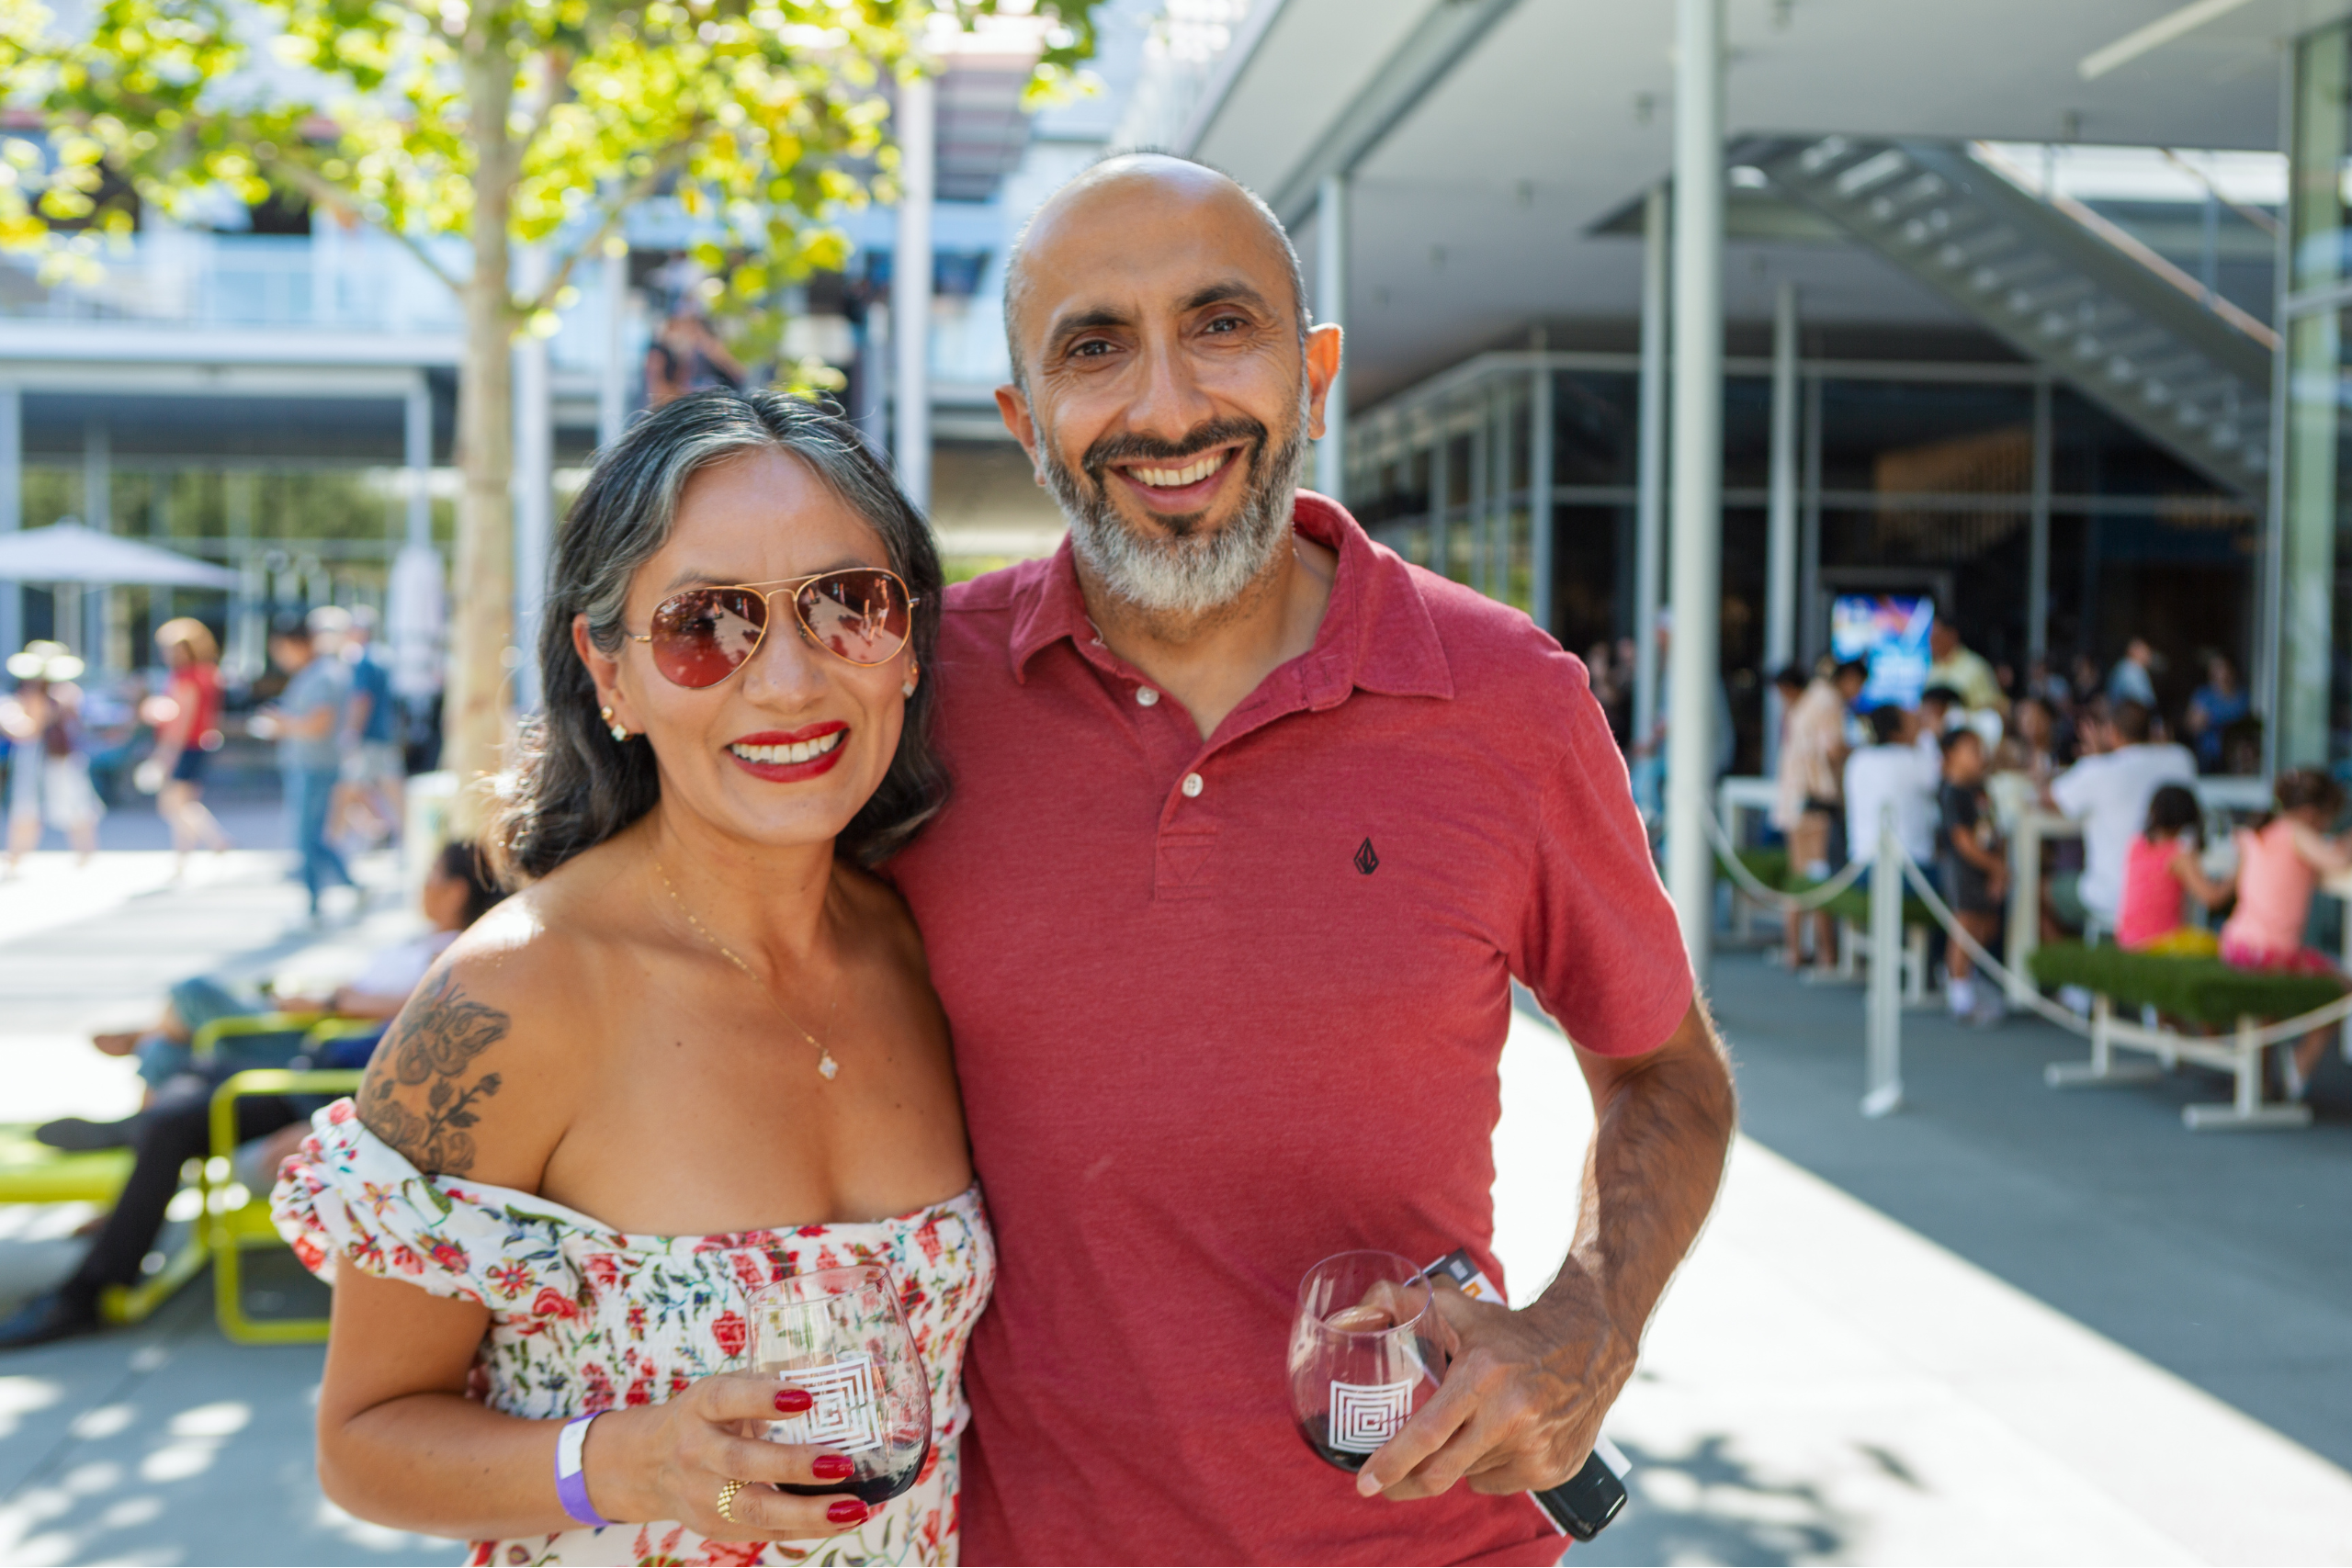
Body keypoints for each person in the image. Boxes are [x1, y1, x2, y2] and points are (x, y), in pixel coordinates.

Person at [886, 152, 1737, 1566]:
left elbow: (1669, 1074)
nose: (1169, 404)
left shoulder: (1507, 697)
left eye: (1224, 325)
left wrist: (1592, 1309)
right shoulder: (920, 697)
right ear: (1024, 422)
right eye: (1096, 347)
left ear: (1316, 372)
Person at [267, 391, 983, 1564]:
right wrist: (628, 1461)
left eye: (848, 605)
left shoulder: (924, 943)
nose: (790, 680)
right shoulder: (509, 1001)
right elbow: (361, 1444)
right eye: (708, 623)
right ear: (611, 673)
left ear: (906, 643)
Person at [0, 840, 503, 1348]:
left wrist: (342, 1120)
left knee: (176, 1110)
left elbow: (426, 1068)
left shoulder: (457, 960)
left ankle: (88, 1292)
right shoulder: (451, 954)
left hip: (320, 1090)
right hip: (315, 1066)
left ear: (456, 890)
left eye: (431, 875)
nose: (422, 886)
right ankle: (129, 1137)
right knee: (186, 1070)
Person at [2219, 769, 2352, 1101]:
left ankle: (2260, 1078)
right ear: (2311, 814)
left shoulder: (2263, 830)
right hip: (2270, 951)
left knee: (2270, 1005)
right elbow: (2335, 860)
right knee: (2342, 988)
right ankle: (2300, 1063)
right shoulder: (2297, 832)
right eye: (2327, 820)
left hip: (2236, 944)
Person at [2048, 699, 2195, 937]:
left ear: (2112, 732)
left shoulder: (2097, 770)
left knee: (2045, 890)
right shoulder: (2181, 760)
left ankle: (2064, 967)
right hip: (2177, 891)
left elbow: (2051, 797)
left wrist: (2097, 758)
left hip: (2113, 897)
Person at [255, 615, 355, 919]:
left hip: (315, 765)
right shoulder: (314, 673)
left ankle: (317, 902)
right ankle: (344, 888)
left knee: (307, 837)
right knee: (310, 836)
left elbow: (319, 723)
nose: (280, 657)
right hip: (308, 764)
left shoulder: (322, 674)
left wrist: (282, 725)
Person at [1771, 659, 1865, 974]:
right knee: (1817, 878)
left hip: (1796, 801)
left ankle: (1796, 949)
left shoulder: (1809, 699)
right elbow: (1833, 749)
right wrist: (1864, 749)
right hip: (1816, 803)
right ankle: (1826, 954)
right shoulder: (1829, 701)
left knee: (1801, 877)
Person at [2, 642, 103, 873]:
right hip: (47, 757)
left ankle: (84, 855)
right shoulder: (39, 694)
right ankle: (18, 856)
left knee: (71, 805)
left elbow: (31, 728)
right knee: (30, 806)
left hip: (57, 758)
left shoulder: (61, 693)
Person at [148, 617, 232, 871]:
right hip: (201, 743)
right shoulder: (210, 674)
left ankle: (215, 840)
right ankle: (183, 859)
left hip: (185, 745)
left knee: (174, 805)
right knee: (185, 804)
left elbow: (181, 720)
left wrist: (166, 752)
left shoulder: (188, 677)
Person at [1937, 728, 2007, 1026]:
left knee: (1987, 922)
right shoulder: (1952, 792)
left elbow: (1993, 829)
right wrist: (1995, 867)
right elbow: (1962, 840)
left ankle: (1965, 974)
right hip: (1962, 868)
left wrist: (1997, 867)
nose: (1980, 756)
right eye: (1972, 750)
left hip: (1986, 865)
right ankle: (1959, 990)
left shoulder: (1982, 791)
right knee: (1965, 923)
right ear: (1951, 755)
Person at [2115, 784, 2233, 957]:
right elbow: (2212, 898)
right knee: (2217, 942)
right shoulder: (2179, 855)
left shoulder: (2136, 844)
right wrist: (2237, 875)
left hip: (2127, 940)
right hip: (2160, 943)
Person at [331, 605, 403, 853]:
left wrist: (351, 732)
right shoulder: (383, 657)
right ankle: (385, 831)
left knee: (347, 788)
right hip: (384, 733)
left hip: (369, 736)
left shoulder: (362, 660)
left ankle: (333, 843)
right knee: (387, 788)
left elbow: (361, 699)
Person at [1843, 705, 1940, 872]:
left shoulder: (1857, 760)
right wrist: (1930, 735)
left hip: (1861, 866)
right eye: (1913, 722)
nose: (1919, 724)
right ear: (1896, 732)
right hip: (1911, 869)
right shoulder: (1913, 760)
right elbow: (1942, 777)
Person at [645, 306, 747, 408]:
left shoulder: (708, 351)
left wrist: (707, 344)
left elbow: (738, 374)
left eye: (692, 326)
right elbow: (659, 396)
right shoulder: (661, 353)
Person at [2183, 653, 2251, 775]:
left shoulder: (2243, 696)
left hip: (2234, 757)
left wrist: (2211, 718)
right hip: (2207, 756)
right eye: (2215, 668)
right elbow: (2191, 725)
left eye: (2223, 667)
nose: (2221, 673)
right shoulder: (2203, 695)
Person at [1927, 617, 2007, 718]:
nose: (1932, 642)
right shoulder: (1931, 670)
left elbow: (1994, 708)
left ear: (1952, 635)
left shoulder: (1975, 666)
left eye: (1936, 637)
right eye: (1931, 638)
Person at [2107, 637, 2158, 711]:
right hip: (2128, 719)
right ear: (2134, 651)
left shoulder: (2125, 667)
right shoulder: (2130, 669)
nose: (2149, 654)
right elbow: (2138, 703)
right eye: (2146, 650)